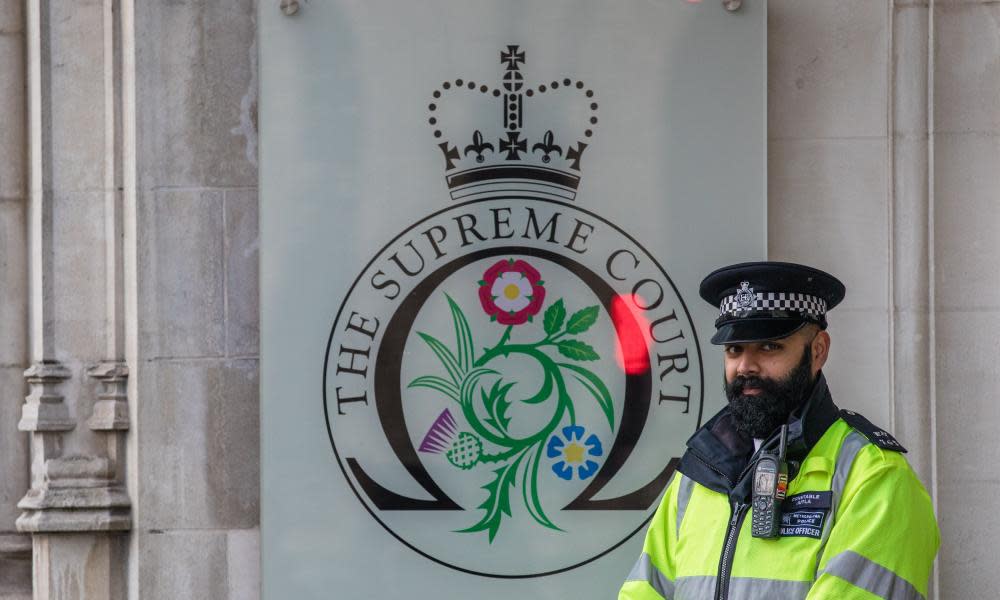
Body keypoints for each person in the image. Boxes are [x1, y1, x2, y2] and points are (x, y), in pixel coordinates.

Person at [619, 261, 939, 600]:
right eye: (734, 349)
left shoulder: (875, 475)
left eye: (769, 347)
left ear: (818, 350)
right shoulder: (699, 472)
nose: (745, 366)